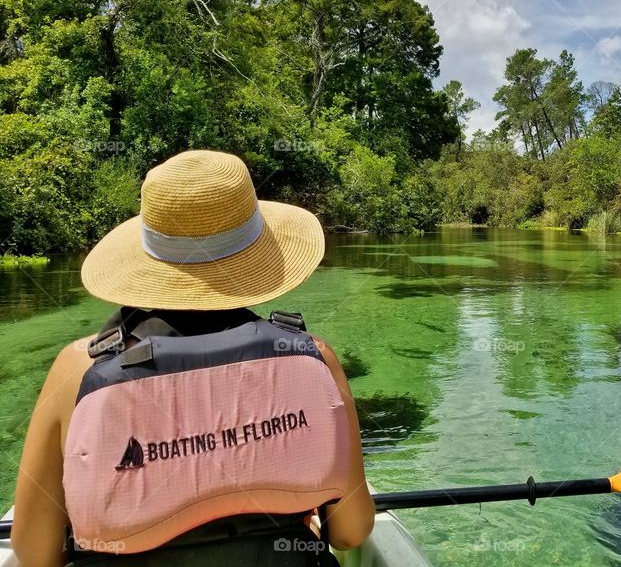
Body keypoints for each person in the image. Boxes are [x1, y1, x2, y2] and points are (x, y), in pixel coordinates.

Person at [12, 150, 374, 566]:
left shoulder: (79, 368)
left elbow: (35, 553)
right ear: (258, 256)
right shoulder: (313, 356)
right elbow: (350, 531)